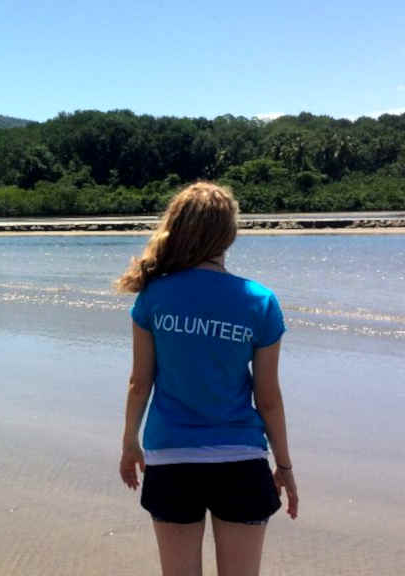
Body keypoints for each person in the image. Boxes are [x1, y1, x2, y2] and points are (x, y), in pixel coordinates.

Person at [116, 182, 298, 576]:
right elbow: (268, 398)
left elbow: (139, 381)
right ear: (229, 234)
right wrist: (284, 466)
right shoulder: (260, 301)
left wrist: (130, 441)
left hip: (170, 457)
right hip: (241, 459)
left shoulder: (153, 297)